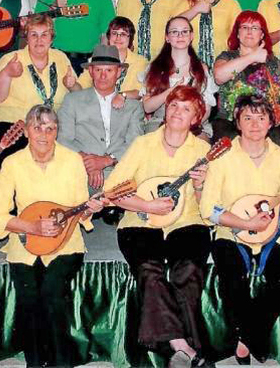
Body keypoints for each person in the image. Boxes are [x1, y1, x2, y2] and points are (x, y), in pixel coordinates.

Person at [0, 104, 104, 368]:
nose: (43, 133)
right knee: (29, 297)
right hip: (24, 243)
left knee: (51, 292)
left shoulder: (73, 160)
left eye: (50, 128)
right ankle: (36, 363)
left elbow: (79, 208)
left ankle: (61, 362)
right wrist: (32, 228)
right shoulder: (12, 163)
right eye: (37, 127)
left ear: (57, 132)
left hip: (66, 243)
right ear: (27, 130)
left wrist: (90, 209)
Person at [105, 86, 211, 367]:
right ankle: (184, 346)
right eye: (174, 105)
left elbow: (210, 206)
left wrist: (200, 185)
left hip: (186, 220)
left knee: (187, 272)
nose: (177, 112)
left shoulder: (203, 151)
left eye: (186, 108)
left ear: (196, 117)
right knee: (150, 271)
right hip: (140, 220)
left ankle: (180, 350)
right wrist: (145, 205)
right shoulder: (143, 144)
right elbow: (111, 189)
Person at [200, 95, 280, 364]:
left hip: (271, 233)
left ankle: (246, 338)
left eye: (261, 117)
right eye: (247, 117)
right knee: (232, 280)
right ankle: (252, 338)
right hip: (230, 230)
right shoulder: (222, 155)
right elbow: (208, 210)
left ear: (271, 122)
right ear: (237, 122)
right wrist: (245, 224)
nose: (254, 124)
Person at [0, 13, 79, 164]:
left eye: (44, 35)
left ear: (51, 38)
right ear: (26, 37)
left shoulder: (61, 58)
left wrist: (72, 85)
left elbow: (79, 95)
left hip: (52, 127)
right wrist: (7, 74)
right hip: (14, 124)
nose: (39, 40)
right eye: (33, 34)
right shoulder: (11, 58)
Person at [57, 44, 144, 191]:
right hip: (79, 173)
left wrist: (106, 160)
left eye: (109, 70)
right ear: (90, 71)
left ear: (119, 72)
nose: (103, 76)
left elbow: (135, 143)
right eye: (98, 70)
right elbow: (63, 139)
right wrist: (89, 162)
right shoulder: (72, 100)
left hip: (121, 176)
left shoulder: (133, 107)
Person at [212, 11, 280, 149]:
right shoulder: (227, 56)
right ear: (237, 32)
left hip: (263, 121)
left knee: (279, 140)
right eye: (244, 27)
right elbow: (219, 76)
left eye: (254, 28)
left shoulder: (273, 62)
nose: (249, 31)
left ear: (262, 34)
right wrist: (252, 57)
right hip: (230, 121)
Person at [140, 16, 217, 137]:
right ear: (167, 38)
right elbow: (147, 107)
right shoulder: (154, 68)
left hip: (194, 125)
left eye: (185, 32)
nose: (180, 36)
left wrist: (189, 126)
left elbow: (206, 110)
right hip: (161, 122)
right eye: (174, 32)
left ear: (191, 36)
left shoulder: (202, 70)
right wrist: (170, 91)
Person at [76, 17, 148, 101]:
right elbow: (81, 87)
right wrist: (72, 85)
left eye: (123, 34)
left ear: (130, 38)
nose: (118, 38)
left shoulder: (140, 62)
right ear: (109, 36)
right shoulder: (95, 59)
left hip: (127, 108)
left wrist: (121, 96)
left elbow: (140, 92)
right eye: (114, 33)